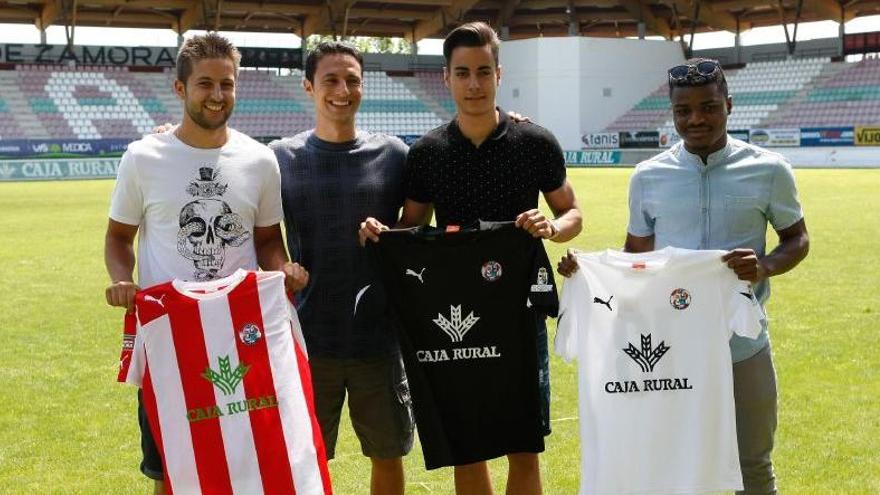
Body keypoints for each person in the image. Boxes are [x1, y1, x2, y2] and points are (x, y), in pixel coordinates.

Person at [558, 58, 809, 495]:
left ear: (729, 105)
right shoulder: (648, 177)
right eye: (683, 110)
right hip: (671, 355)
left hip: (743, 348)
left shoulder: (770, 170)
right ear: (671, 112)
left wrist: (765, 265)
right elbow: (636, 258)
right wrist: (590, 272)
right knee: (668, 463)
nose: (696, 119)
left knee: (753, 466)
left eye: (709, 107)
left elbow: (798, 239)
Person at [360, 21, 582, 495]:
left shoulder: (535, 142)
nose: (474, 84)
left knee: (524, 444)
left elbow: (571, 213)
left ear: (499, 74)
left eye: (484, 71)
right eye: (463, 73)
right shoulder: (428, 153)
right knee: (469, 442)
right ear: (447, 78)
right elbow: (411, 226)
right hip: (454, 312)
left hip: (520, 308)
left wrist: (552, 227)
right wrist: (383, 232)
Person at [104, 33, 308, 495]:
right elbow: (119, 238)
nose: (217, 96)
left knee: (249, 460)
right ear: (181, 89)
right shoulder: (143, 158)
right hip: (170, 338)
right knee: (170, 469)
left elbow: (268, 242)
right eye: (205, 84)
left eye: (227, 84)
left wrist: (284, 270)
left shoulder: (260, 160)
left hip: (243, 336)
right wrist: (122, 280)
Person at [269, 41, 414, 495]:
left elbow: (415, 226)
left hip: (379, 334)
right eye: (330, 79)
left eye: (352, 79)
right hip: (308, 337)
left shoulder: (394, 155)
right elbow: (263, 234)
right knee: (305, 458)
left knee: (387, 454)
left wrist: (390, 233)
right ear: (309, 86)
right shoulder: (278, 157)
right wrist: (281, 266)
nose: (342, 89)